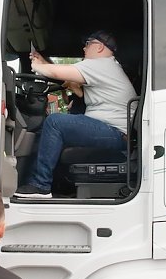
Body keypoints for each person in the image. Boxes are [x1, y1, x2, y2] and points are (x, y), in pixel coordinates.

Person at [13, 30, 136, 199]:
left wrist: (37, 66)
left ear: (99, 47)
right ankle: (39, 182)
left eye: (87, 44)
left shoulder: (101, 64)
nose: (84, 49)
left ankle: (40, 185)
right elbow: (61, 75)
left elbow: (57, 72)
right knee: (50, 128)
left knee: (54, 122)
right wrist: (43, 62)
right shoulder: (108, 66)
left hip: (114, 132)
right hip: (113, 132)